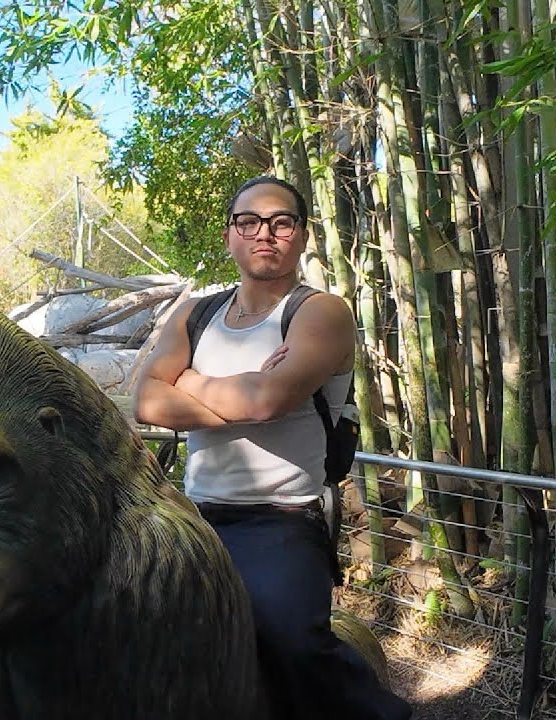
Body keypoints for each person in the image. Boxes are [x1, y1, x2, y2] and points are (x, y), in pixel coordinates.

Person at [132, 176, 412, 720]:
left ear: (301, 236)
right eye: (249, 222)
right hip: (193, 514)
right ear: (229, 236)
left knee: (292, 641)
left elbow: (268, 401)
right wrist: (244, 396)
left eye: (281, 222)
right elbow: (145, 400)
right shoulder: (195, 315)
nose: (265, 233)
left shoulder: (319, 312)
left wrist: (187, 381)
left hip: (282, 517)